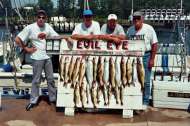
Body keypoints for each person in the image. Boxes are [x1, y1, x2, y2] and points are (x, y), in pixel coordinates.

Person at [15, 10, 59, 111]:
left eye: (43, 17)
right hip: (36, 58)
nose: (41, 19)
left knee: (51, 80)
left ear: (46, 18)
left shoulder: (48, 26)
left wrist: (68, 38)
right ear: (36, 18)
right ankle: (33, 101)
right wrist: (26, 49)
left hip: (48, 57)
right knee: (36, 81)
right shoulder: (30, 27)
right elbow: (17, 39)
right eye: (39, 17)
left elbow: (56, 36)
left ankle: (53, 99)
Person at [126, 11, 158, 112]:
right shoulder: (130, 30)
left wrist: (152, 59)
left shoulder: (149, 29)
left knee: (146, 81)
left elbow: (155, 44)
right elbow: (126, 43)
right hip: (133, 57)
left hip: (146, 56)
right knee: (133, 79)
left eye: (138, 18)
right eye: (134, 18)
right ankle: (134, 99)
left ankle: (145, 101)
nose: (136, 20)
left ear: (142, 19)